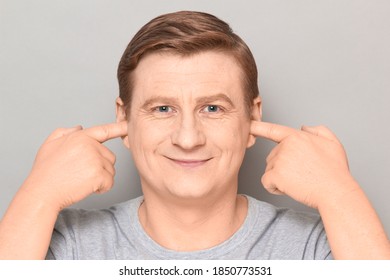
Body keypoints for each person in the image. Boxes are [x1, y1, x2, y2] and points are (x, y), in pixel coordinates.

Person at [0, 11, 389, 260]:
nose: (188, 138)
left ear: (252, 118)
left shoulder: (318, 248)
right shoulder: (68, 246)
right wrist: (37, 195)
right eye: (162, 109)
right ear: (125, 120)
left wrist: (341, 195)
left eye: (213, 108)